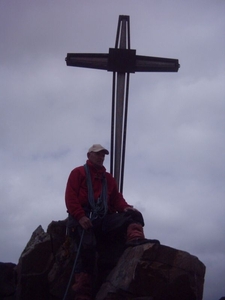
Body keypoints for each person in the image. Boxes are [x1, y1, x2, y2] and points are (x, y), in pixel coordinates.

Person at [65, 144, 155, 300]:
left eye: (103, 155)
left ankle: (136, 239)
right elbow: (70, 197)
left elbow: (116, 199)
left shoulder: (108, 178)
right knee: (87, 248)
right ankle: (82, 292)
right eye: (98, 154)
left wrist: (125, 208)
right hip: (82, 218)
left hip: (101, 218)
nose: (101, 157)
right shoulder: (77, 173)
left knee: (133, 215)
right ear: (89, 156)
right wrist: (80, 216)